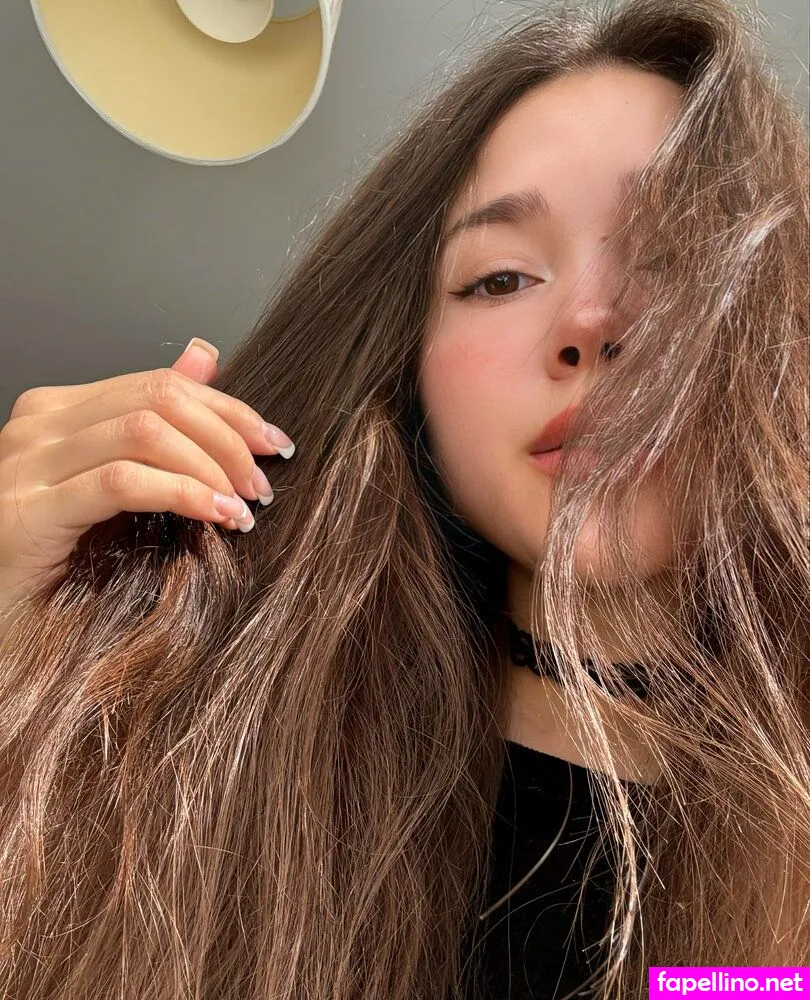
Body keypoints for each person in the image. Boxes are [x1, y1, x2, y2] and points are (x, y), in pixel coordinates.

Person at [0, 0, 807, 997]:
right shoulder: (196, 776)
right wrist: (23, 647)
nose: (590, 323)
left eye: (678, 258)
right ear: (409, 378)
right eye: (500, 278)